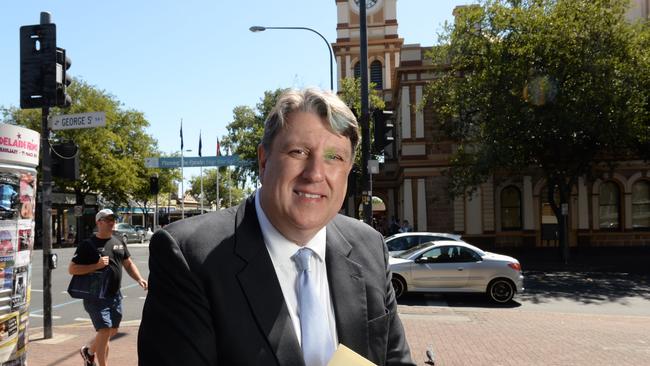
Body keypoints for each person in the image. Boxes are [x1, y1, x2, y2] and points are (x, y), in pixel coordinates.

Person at [138, 88, 414, 366]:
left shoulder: (370, 247)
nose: (315, 173)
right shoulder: (189, 257)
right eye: (298, 151)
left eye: (334, 157)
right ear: (263, 160)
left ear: (348, 168)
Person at [69, 209, 147, 366]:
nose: (112, 222)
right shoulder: (87, 245)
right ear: (99, 222)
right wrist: (95, 266)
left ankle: (89, 352)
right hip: (96, 296)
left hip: (115, 295)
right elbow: (72, 269)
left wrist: (139, 278)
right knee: (104, 331)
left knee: (112, 331)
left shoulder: (118, 240)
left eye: (113, 219)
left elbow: (128, 263)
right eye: (108, 219)